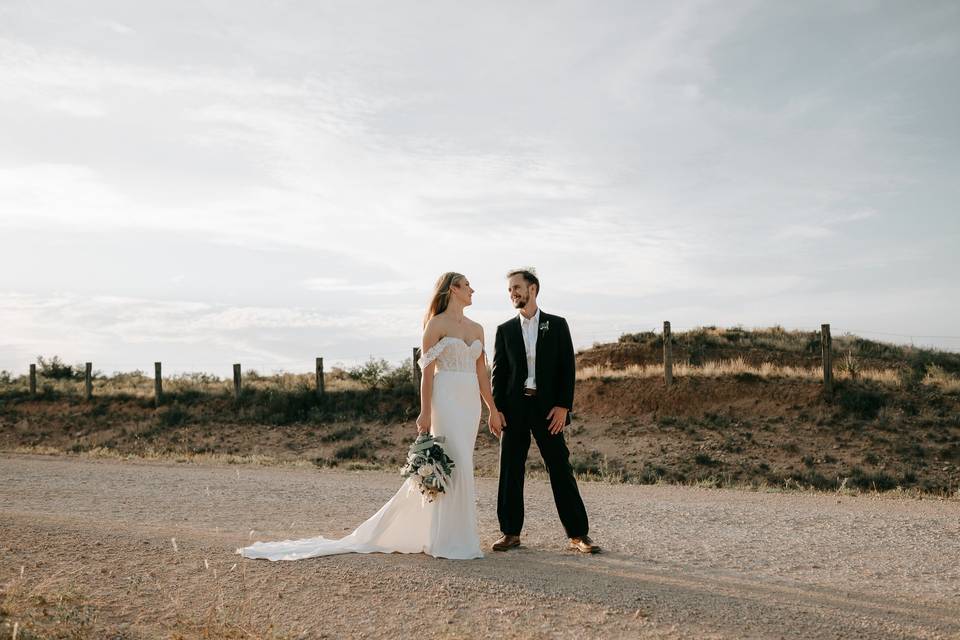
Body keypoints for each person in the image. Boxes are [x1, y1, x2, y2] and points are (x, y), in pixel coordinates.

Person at [238, 272, 499, 561]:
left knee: (464, 464)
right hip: (446, 399)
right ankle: (446, 540)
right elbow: (426, 376)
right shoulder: (435, 325)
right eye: (468, 285)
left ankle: (461, 537)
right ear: (453, 289)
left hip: (469, 403)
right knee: (452, 462)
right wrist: (424, 412)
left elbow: (481, 374)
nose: (473, 290)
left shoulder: (478, 329)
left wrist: (492, 408)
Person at [490, 268, 599, 553]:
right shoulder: (504, 331)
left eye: (516, 288)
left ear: (533, 289)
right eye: (509, 290)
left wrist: (564, 406)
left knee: (560, 467)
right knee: (510, 469)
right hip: (514, 409)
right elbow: (498, 375)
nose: (512, 293)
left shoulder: (558, 324)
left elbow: (567, 369)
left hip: (549, 409)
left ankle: (578, 535)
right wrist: (496, 410)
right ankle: (510, 533)